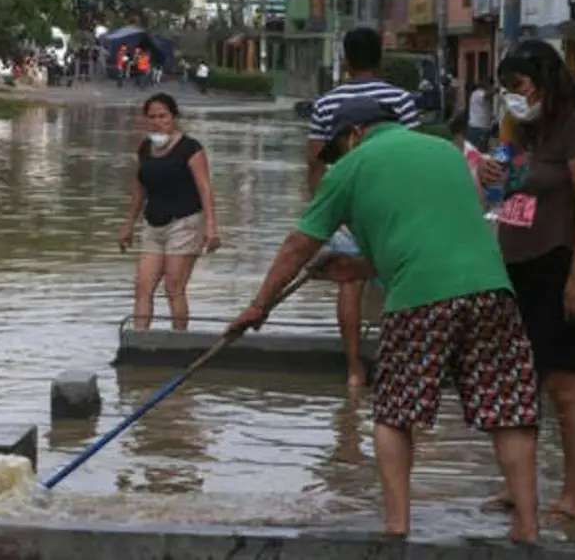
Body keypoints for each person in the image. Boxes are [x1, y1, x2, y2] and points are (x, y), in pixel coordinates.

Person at [227, 97, 541, 541]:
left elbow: (299, 244)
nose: (337, 160)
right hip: (492, 290)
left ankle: (397, 528)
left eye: (339, 148)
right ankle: (527, 527)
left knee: (394, 414)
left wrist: (259, 306)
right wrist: (360, 267)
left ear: (354, 135)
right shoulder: (445, 152)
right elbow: (432, 235)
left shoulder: (348, 171)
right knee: (508, 411)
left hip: (419, 301)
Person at [478, 39, 575, 522]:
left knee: (567, 384)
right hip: (515, 265)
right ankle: (519, 488)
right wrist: (491, 169)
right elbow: (503, 187)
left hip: (558, 263)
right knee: (518, 380)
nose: (512, 96)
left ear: (546, 82)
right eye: (505, 88)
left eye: (519, 86)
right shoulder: (521, 130)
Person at [306, 26, 421, 389]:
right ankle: (400, 365)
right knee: (400, 284)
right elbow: (410, 154)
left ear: (345, 59)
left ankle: (354, 369)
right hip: (395, 205)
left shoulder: (326, 103)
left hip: (346, 205)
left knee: (348, 284)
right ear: (380, 58)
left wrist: (322, 213)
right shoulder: (402, 100)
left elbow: (316, 163)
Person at [119, 93, 221, 330]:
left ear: (173, 117)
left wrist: (211, 228)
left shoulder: (191, 149)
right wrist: (128, 225)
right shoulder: (145, 148)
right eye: (151, 117)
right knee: (143, 286)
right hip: (153, 224)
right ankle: (140, 341)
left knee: (174, 287)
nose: (157, 121)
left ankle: (178, 342)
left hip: (185, 222)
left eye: (162, 116)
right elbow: (139, 188)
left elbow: (205, 189)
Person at [467, 79, 495, 152]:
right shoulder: (479, 93)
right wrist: (499, 89)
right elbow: (487, 95)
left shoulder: (474, 93)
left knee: (476, 151)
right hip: (479, 127)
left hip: (478, 126)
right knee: (479, 151)